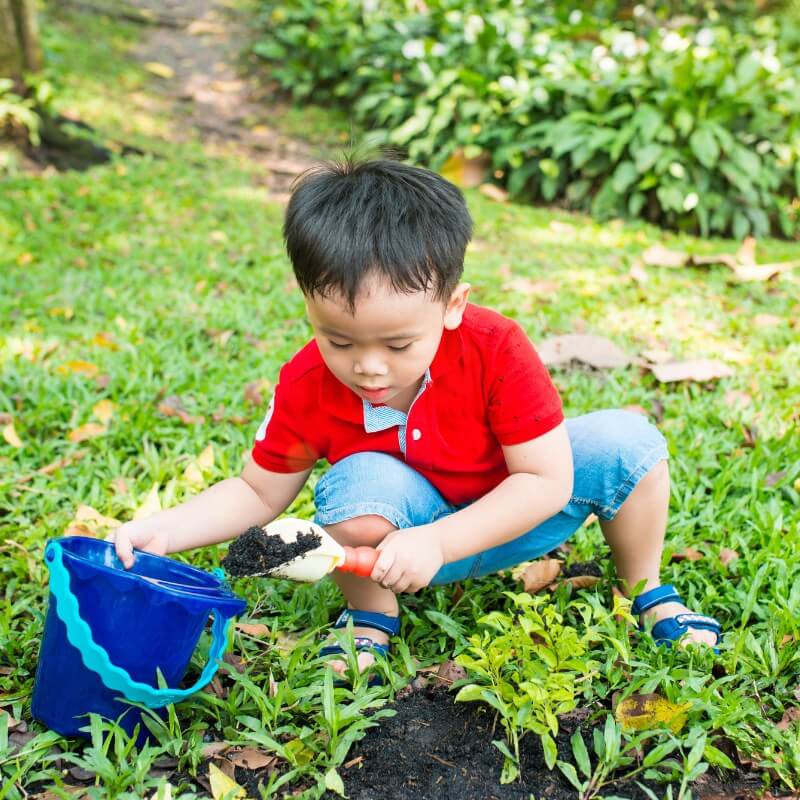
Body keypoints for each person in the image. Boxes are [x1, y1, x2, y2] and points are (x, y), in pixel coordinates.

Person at [112, 157, 720, 677]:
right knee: (358, 481)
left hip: (513, 518)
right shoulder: (307, 382)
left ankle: (645, 588)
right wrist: (166, 530)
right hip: (385, 551)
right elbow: (255, 490)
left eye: (398, 345)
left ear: (453, 305)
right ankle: (372, 615)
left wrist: (438, 540)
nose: (367, 368)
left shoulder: (496, 347)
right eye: (339, 341)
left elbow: (546, 481)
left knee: (626, 441)